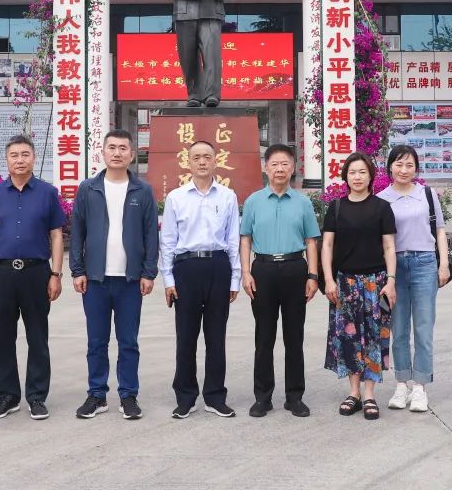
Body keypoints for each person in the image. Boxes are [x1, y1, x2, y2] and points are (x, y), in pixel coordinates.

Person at [70, 129, 159, 420]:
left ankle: (128, 395)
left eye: (123, 148)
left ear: (132, 154)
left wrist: (148, 272)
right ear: (103, 152)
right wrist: (77, 270)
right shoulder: (89, 188)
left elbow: (151, 233)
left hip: (130, 280)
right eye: (112, 147)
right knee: (96, 342)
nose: (117, 153)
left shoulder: (142, 190)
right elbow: (77, 231)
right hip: (95, 279)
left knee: (128, 341)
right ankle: (97, 395)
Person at [0, 135, 66, 421]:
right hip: (1, 273)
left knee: (37, 336)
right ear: (6, 159)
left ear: (34, 158)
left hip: (36, 272)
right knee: (3, 336)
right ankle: (7, 396)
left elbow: (56, 235)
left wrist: (55, 274)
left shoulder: (47, 193)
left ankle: (37, 397)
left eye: (25, 154)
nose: (19, 160)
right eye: (14, 155)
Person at [159, 140, 241, 419]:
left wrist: (234, 279)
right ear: (188, 162)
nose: (202, 162)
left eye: (207, 157)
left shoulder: (227, 196)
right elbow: (168, 241)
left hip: (218, 266)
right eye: (197, 157)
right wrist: (168, 280)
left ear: (216, 160)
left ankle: (215, 396)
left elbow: (233, 239)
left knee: (216, 336)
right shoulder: (176, 198)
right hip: (186, 268)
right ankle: (185, 397)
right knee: (186, 336)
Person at [239, 144, 320, 418]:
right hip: (262, 270)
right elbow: (245, 238)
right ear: (266, 168)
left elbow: (311, 241)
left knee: (294, 337)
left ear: (293, 168)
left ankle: (294, 397)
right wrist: (246, 272)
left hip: (295, 268)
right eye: (274, 164)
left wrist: (313, 275)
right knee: (264, 337)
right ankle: (262, 397)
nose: (280, 169)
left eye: (285, 164)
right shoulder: (253, 201)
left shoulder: (303, 202)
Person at [321, 152, 398, 420]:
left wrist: (391, 281)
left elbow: (389, 247)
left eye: (362, 172)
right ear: (346, 176)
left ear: (370, 176)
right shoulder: (336, 208)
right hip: (345, 283)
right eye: (352, 172)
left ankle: (369, 394)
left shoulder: (382, 207)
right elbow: (327, 245)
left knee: (374, 337)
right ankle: (353, 392)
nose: (357, 177)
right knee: (349, 338)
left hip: (376, 283)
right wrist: (328, 279)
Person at [377, 145, 451, 413]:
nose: (404, 170)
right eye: (399, 164)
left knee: (423, 326)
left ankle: (420, 386)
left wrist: (443, 264)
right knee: (398, 328)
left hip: (424, 263)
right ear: (390, 167)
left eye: (409, 165)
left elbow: (440, 231)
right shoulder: (381, 199)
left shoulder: (427, 194)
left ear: (416, 168)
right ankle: (401, 384)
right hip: (395, 267)